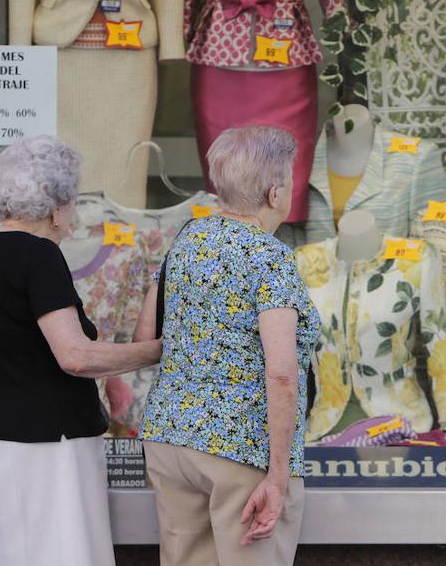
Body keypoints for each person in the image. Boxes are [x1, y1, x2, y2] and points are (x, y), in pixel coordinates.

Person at [0, 135, 162, 566]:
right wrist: (155, 351)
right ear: (57, 205)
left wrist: (8, 368)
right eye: (74, 202)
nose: (74, 216)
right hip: (48, 449)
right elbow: (75, 356)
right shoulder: (39, 255)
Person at [138, 125, 321, 566]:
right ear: (275, 193)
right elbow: (281, 372)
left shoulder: (187, 239)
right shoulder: (271, 257)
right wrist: (278, 477)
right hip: (241, 447)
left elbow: (147, 337)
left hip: (170, 437)